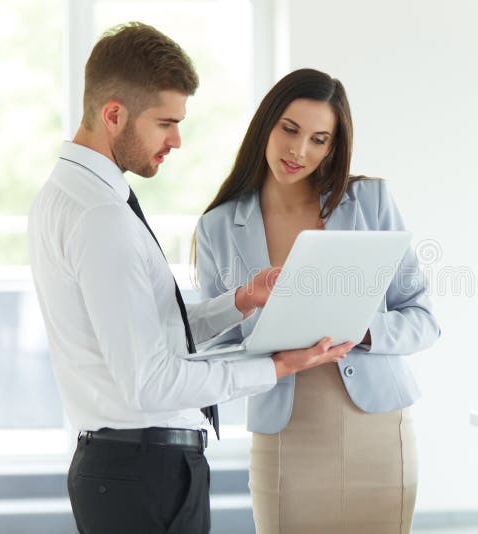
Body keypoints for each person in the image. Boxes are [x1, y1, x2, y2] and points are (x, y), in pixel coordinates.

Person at [27, 25, 353, 534]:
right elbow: (151, 382)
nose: (177, 141)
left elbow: (149, 333)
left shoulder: (72, 196)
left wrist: (239, 301)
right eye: (165, 123)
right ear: (114, 115)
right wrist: (277, 368)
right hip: (146, 474)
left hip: (129, 470)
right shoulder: (101, 218)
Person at [193, 68, 441, 533]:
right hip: (287, 430)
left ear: (333, 146)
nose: (299, 151)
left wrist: (362, 330)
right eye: (290, 129)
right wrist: (252, 311)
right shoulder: (219, 227)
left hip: (379, 430)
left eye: (319, 139)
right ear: (265, 123)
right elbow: (210, 342)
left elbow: (423, 317)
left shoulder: (368, 200)